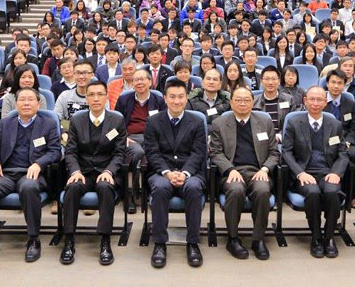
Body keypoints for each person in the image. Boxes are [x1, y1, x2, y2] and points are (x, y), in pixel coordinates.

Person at [0, 88, 62, 263]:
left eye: (31, 100)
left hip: (33, 173)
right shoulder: (6, 123)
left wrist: (39, 163)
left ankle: (33, 239)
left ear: (38, 104)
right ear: (16, 104)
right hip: (7, 173)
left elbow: (55, 151)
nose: (26, 103)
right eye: (22, 100)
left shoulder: (48, 124)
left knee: (29, 187)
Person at [208, 87, 279, 260]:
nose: (242, 103)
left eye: (246, 100)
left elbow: (274, 152)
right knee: (236, 190)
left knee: (262, 190)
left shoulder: (264, 121)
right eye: (238, 100)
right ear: (231, 102)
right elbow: (215, 152)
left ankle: (258, 239)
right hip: (232, 171)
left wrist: (265, 169)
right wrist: (230, 169)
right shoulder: (219, 123)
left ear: (252, 102)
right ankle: (233, 238)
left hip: (258, 171)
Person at [143, 78, 208, 268]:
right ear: (165, 98)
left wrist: (185, 173)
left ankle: (193, 243)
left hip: (191, 172)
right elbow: (152, 152)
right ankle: (160, 243)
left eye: (181, 97)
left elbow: (199, 153)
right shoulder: (154, 121)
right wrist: (167, 173)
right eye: (172, 97)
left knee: (194, 187)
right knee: (161, 189)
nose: (177, 101)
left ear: (187, 98)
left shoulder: (197, 121)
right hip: (162, 172)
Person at [60, 80, 126, 266]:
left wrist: (109, 171)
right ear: (86, 98)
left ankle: (105, 240)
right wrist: (75, 171)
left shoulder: (117, 120)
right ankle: (69, 240)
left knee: (105, 187)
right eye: (91, 95)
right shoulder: (77, 120)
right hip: (83, 172)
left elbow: (119, 153)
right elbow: (71, 151)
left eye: (100, 94)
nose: (96, 98)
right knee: (72, 188)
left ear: (106, 97)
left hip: (106, 171)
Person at [283, 86, 349, 259]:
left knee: (332, 192)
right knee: (312, 193)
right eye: (311, 99)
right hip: (304, 173)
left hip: (328, 172)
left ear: (325, 102)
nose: (315, 103)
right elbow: (287, 152)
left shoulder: (334, 124)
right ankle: (316, 237)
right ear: (305, 101)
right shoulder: (294, 123)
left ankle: (329, 237)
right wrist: (300, 173)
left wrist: (336, 172)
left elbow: (342, 153)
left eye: (319, 99)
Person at [114, 69, 165, 169]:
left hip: (152, 138)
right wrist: (122, 138)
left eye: (142, 79)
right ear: (132, 83)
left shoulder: (159, 100)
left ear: (150, 82)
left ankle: (145, 180)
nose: (139, 82)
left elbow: (164, 125)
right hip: (130, 138)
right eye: (136, 80)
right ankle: (134, 183)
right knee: (138, 152)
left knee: (152, 151)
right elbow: (114, 125)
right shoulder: (123, 100)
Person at [253, 66, 299, 134]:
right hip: (261, 139)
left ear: (279, 81)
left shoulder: (289, 100)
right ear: (261, 82)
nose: (270, 82)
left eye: (274, 79)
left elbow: (292, 123)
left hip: (283, 138)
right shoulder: (254, 101)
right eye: (267, 79)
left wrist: (280, 135)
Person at [55, 59, 94, 125]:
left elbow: (105, 121)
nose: (81, 76)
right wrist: (69, 130)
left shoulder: (100, 96)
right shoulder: (64, 96)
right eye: (78, 73)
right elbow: (57, 119)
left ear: (92, 75)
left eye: (85, 73)